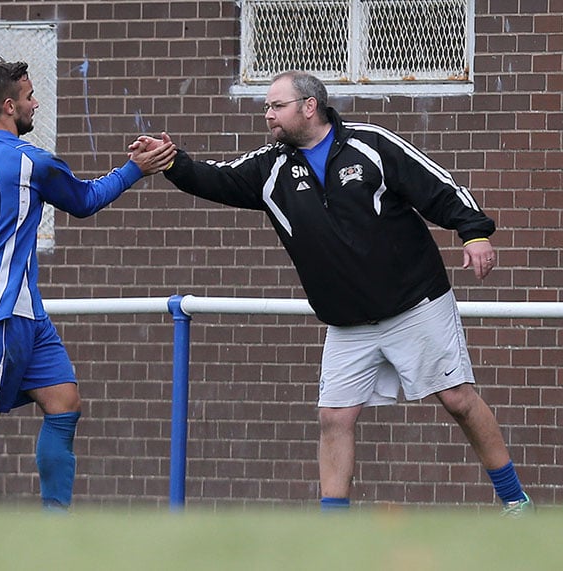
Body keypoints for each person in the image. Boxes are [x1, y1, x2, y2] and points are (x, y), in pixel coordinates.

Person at [135, 71, 533, 516]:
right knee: (334, 418)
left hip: (415, 304)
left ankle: (515, 500)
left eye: (276, 106)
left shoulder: (371, 144)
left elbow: (436, 186)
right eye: (266, 107)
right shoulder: (272, 168)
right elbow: (215, 178)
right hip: (347, 322)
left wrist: (474, 234)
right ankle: (333, 529)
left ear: (309, 106)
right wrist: (170, 161)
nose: (268, 115)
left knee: (458, 400)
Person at [0, 57, 176, 509]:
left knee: (65, 402)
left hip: (25, 315)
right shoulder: (31, 162)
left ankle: (55, 528)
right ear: (10, 106)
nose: (37, 103)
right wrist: (135, 169)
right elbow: (85, 200)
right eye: (31, 96)